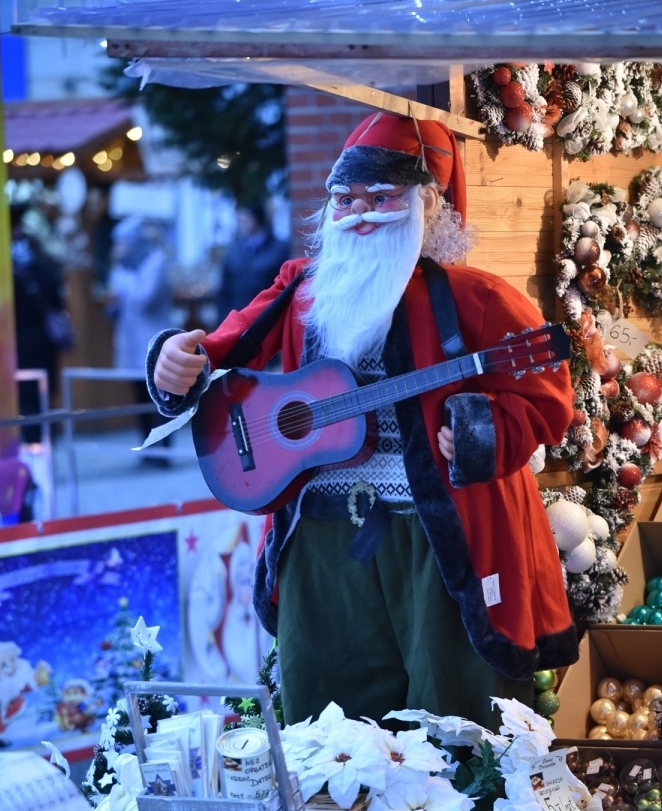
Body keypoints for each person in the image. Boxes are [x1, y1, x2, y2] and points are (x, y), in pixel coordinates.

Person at [148, 113, 578, 730]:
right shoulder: (302, 291)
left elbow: (544, 398)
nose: (361, 213)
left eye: (382, 198)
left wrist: (484, 431)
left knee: (452, 700)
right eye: (345, 199)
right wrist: (175, 361)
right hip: (322, 528)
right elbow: (218, 350)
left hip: (436, 529)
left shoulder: (476, 298)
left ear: (427, 205)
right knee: (325, 704)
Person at [106, 215, 175, 454]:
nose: (119, 249)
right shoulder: (122, 268)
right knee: (139, 398)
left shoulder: (156, 262)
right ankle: (146, 448)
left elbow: (145, 299)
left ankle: (163, 450)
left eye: (122, 243)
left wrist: (125, 279)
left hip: (153, 342)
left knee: (158, 397)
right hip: (130, 342)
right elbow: (116, 299)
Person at [10, 203, 71, 443]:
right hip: (44, 343)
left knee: (27, 399)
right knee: (44, 396)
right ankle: (43, 446)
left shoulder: (12, 273)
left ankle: (33, 448)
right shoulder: (45, 267)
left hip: (20, 342)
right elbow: (57, 299)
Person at [216, 200, 290, 325]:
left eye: (246, 217)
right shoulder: (233, 250)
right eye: (239, 217)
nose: (242, 221)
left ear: (258, 218)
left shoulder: (279, 249)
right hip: (236, 320)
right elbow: (224, 289)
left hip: (267, 319)